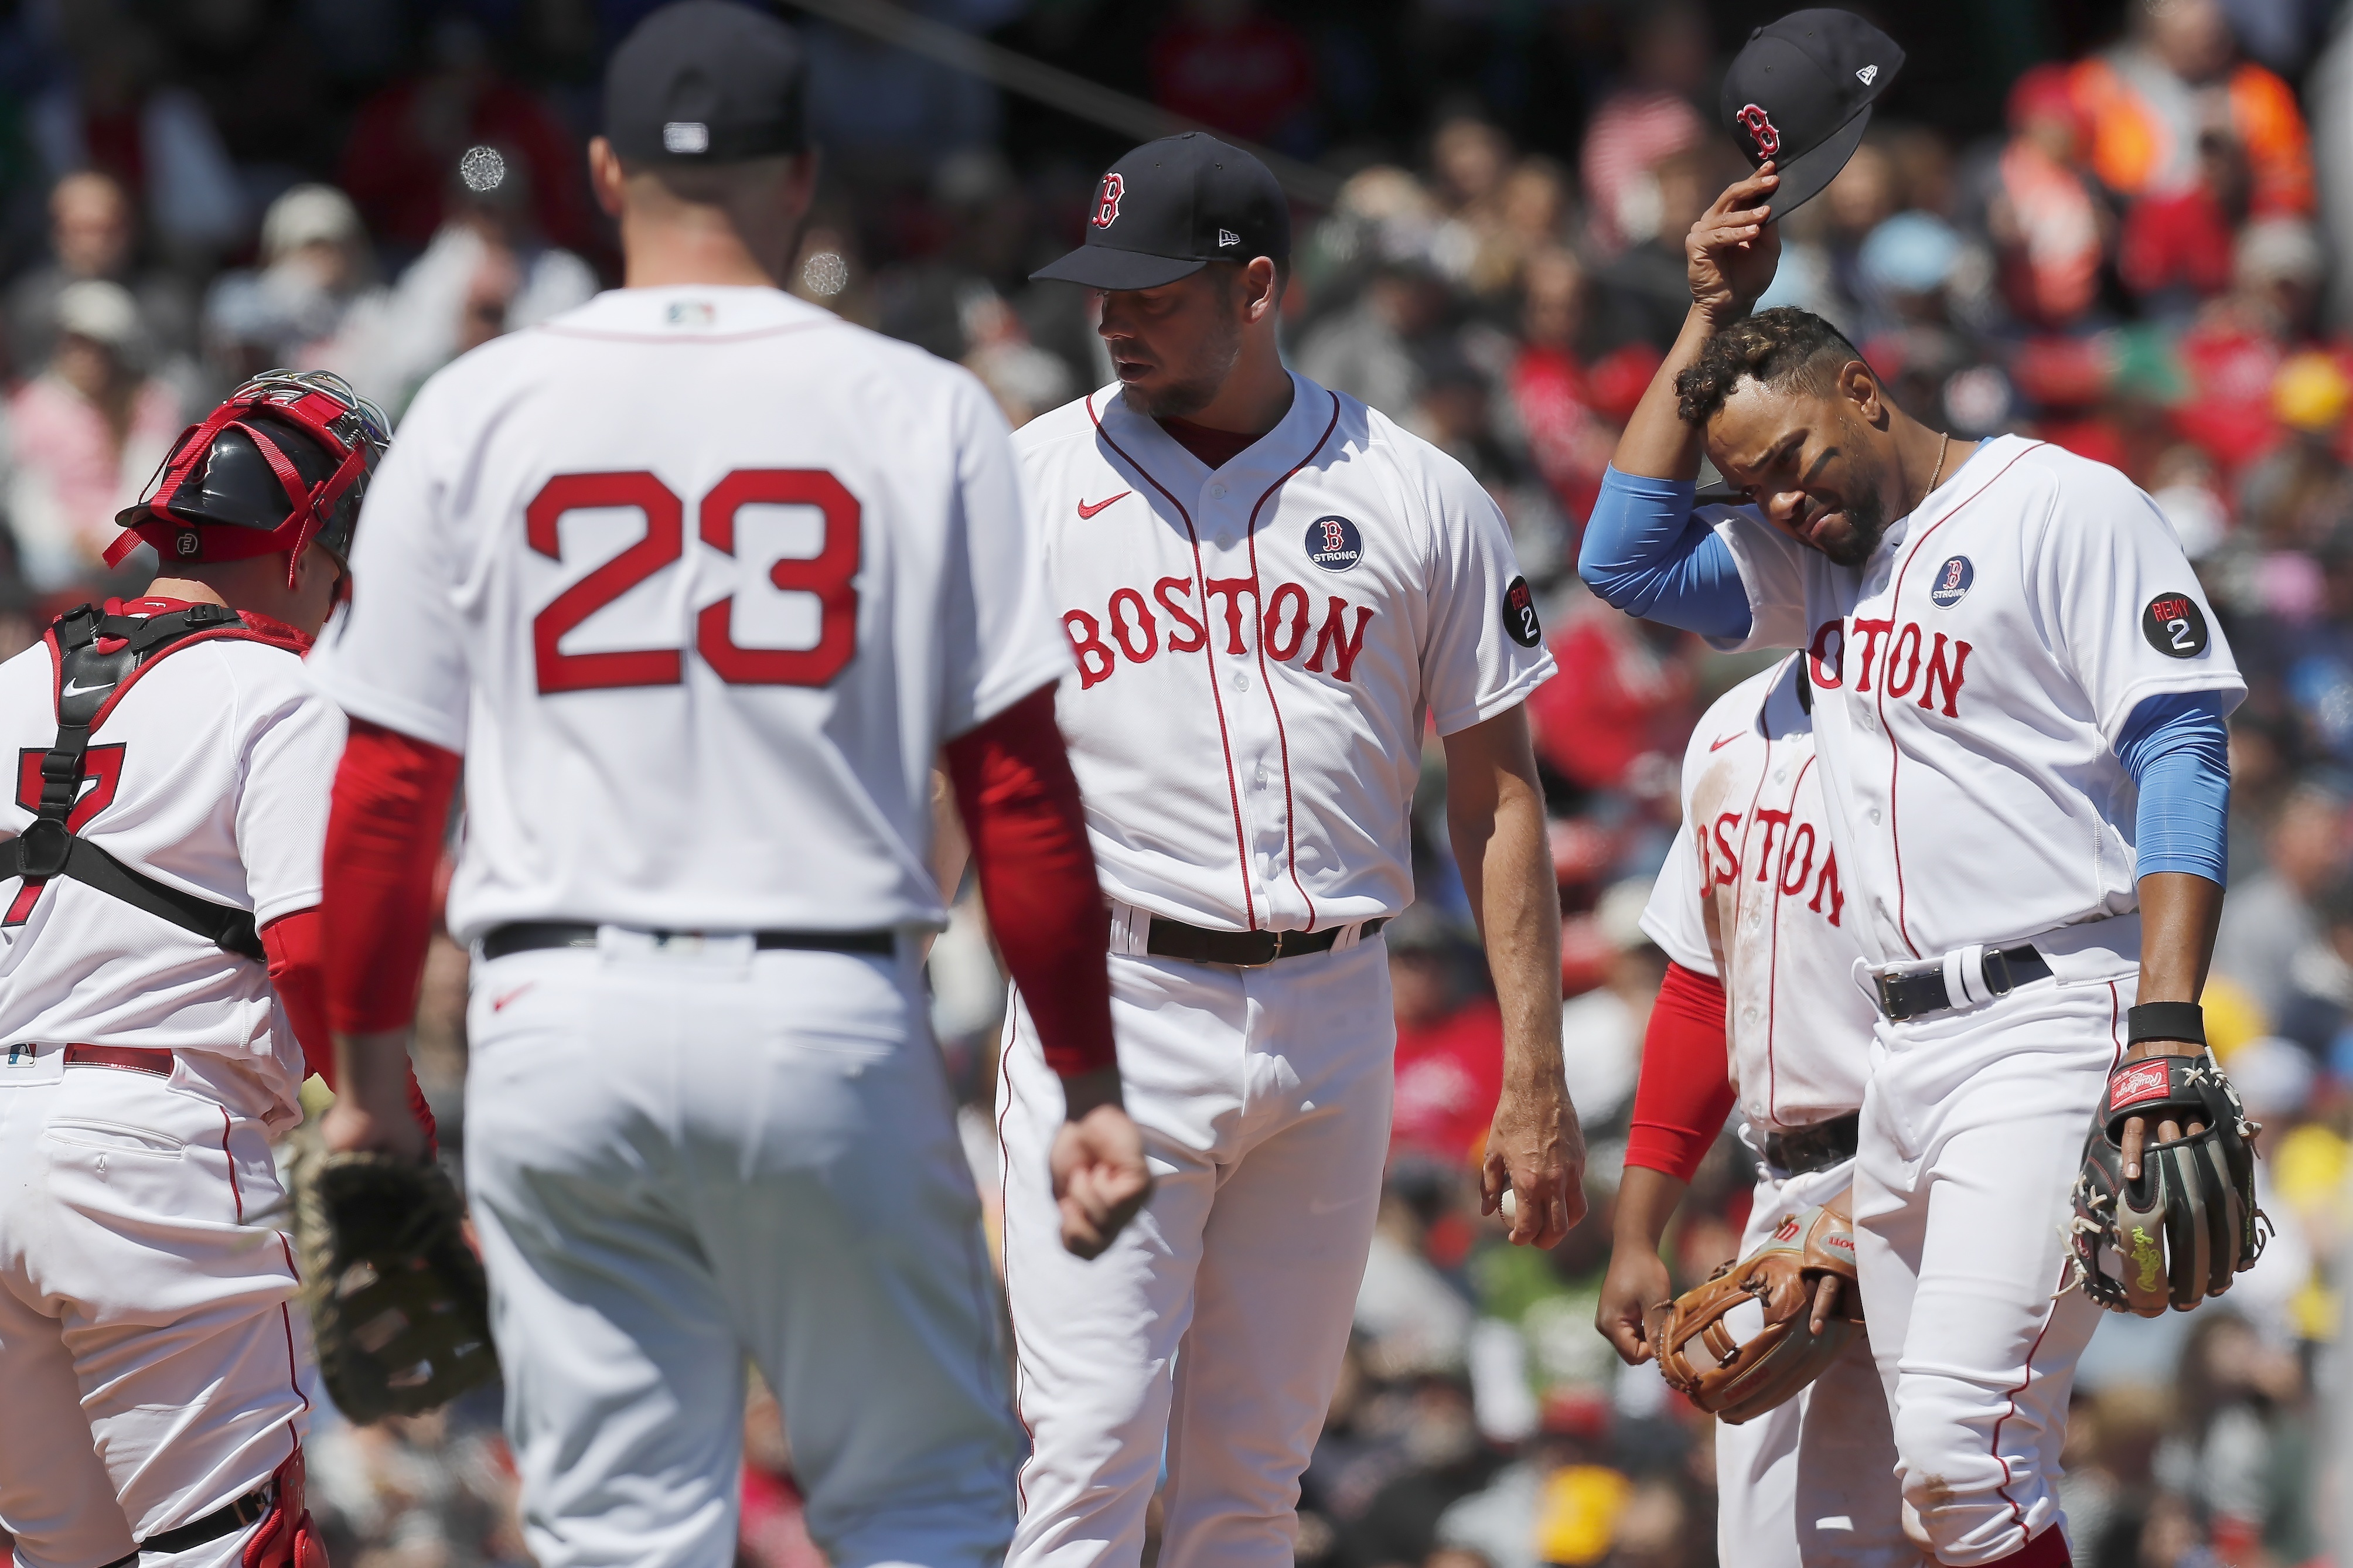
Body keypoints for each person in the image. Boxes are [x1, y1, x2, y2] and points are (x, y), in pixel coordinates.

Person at [305, 6, 1150, 1566]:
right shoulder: (921, 405)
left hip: (557, 1016)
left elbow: (384, 792)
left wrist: (364, 1074)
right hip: (824, 1011)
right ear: (804, 178)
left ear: (608, 171)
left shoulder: (480, 405)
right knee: (922, 1505)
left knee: (620, 1526)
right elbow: (1020, 792)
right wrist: (1087, 1079)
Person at [1578, 160, 2244, 1566]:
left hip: (2058, 1009)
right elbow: (1624, 557)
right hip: (1904, 1055)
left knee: (1960, 1454)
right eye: (1749, 488)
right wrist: (1706, 320)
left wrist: (2169, 1032)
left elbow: (2183, 753)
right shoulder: (1820, 558)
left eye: (1796, 464)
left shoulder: (2061, 506)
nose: (1780, 505)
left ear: (1865, 393)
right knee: (1920, 1506)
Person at [1005, 131, 1585, 1568]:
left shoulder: (1417, 492)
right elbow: (960, 779)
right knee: (1086, 1458)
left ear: (1256, 287)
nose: (1114, 314)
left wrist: (1535, 1072)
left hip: (1336, 1008)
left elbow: (1500, 798)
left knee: (1254, 1478)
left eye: (1152, 290)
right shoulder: (1024, 485)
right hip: (1116, 1008)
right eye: (1104, 290)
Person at [0, 369, 400, 1568]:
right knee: (238, 1550)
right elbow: (320, 958)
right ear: (300, 548)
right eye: (339, 563)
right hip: (154, 1152)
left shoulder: (11, 681)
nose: (340, 594)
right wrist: (402, 1148)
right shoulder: (282, 693)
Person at [1595, 654, 1908, 1566]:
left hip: (1925, 1163)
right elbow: (1702, 987)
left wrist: (1874, 1206)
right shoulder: (1732, 724)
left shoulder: (1942, 726)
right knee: (1776, 1548)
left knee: (1962, 1497)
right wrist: (1636, 1233)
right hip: (1785, 1186)